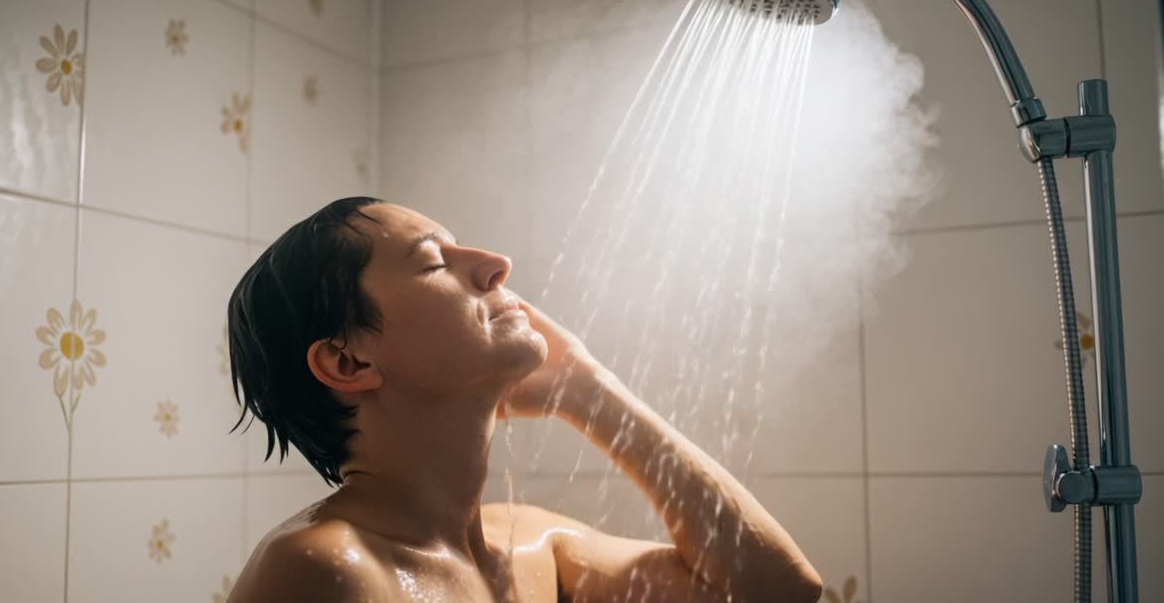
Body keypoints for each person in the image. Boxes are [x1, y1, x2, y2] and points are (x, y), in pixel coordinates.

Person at [225, 197, 822, 602]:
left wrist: (587, 391)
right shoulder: (319, 569)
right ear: (348, 361)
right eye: (434, 261)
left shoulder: (533, 546)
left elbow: (776, 590)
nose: (495, 265)